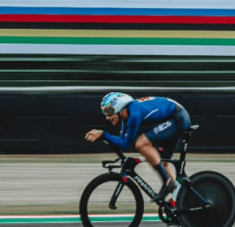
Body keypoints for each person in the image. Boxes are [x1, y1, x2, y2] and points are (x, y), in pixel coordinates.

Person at [85, 92, 191, 201]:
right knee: (162, 162)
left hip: (178, 118)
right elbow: (122, 142)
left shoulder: (134, 115)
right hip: (176, 116)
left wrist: (103, 134)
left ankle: (167, 182)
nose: (107, 117)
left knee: (141, 144)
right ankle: (180, 200)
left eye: (109, 112)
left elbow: (125, 144)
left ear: (119, 106)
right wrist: (102, 137)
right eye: (105, 113)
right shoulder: (127, 116)